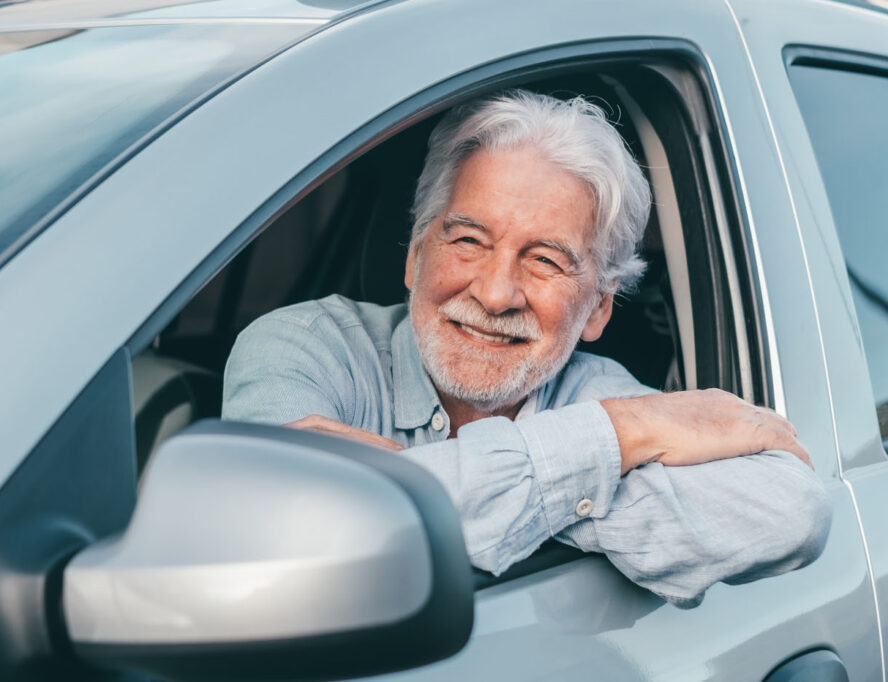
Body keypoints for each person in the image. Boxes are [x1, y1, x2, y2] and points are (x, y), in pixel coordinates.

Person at [222, 90, 831, 608]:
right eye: (468, 240)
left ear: (597, 307)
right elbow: (280, 529)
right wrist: (617, 440)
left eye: (544, 260)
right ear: (414, 255)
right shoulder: (303, 348)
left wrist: (396, 493)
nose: (493, 293)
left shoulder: (593, 389)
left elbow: (790, 511)